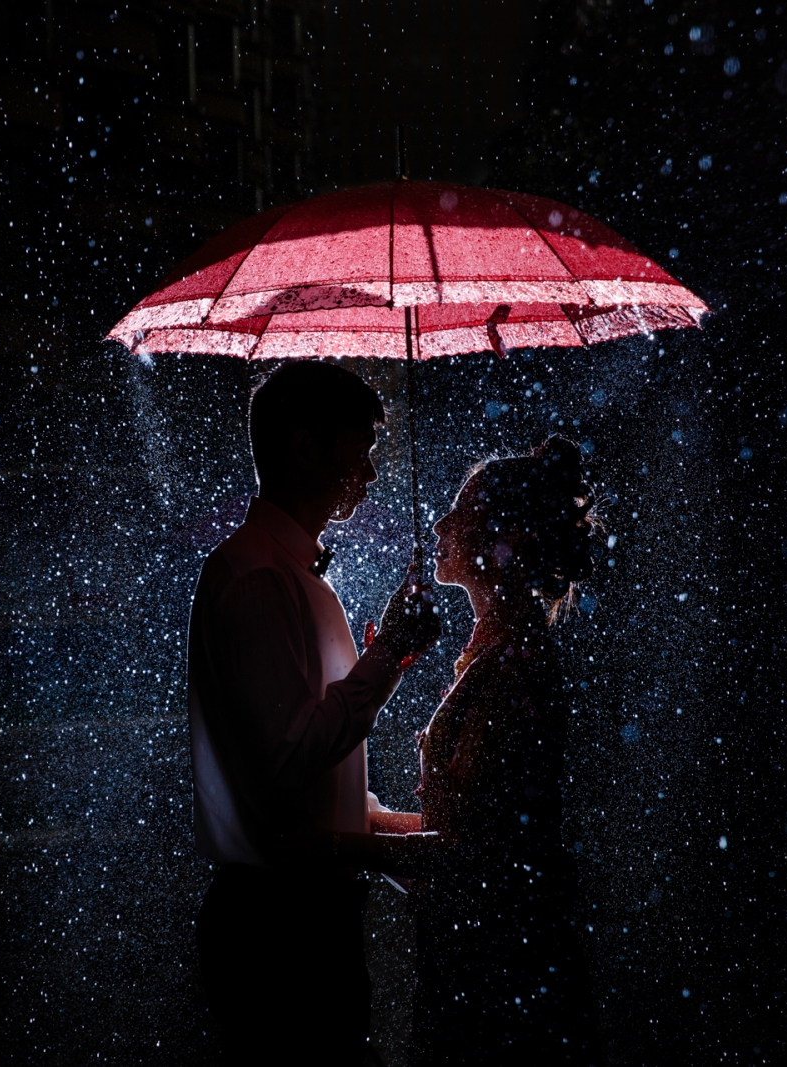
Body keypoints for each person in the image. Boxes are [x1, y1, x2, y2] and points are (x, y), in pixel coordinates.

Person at [188, 360, 442, 1066]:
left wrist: (410, 846)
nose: (368, 467)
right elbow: (291, 755)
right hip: (278, 928)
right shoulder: (258, 578)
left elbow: (316, 786)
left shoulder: (290, 574)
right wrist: (387, 653)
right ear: (303, 447)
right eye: (357, 445)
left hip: (304, 916)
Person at [406, 436, 602, 1064]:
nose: (439, 523)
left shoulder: (515, 665)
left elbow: (471, 851)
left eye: (460, 513)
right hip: (481, 956)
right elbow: (461, 828)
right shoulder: (494, 650)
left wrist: (335, 845)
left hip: (499, 970)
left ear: (506, 539)